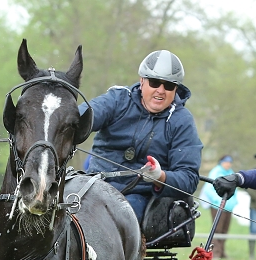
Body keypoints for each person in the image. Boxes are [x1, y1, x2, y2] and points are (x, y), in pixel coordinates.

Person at [80, 50, 203, 225]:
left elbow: (189, 179)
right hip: (94, 184)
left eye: (168, 86)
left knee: (117, 219)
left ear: (176, 89)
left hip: (140, 197)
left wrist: (160, 176)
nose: (160, 91)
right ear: (142, 80)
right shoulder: (117, 99)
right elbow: (77, 118)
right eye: (154, 82)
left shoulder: (182, 121)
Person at [201, 155, 237, 258]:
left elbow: (235, 189)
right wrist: (218, 200)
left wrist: (235, 201)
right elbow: (208, 189)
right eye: (226, 161)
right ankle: (215, 253)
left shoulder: (231, 172)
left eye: (230, 162)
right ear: (221, 162)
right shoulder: (215, 172)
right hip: (218, 206)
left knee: (224, 230)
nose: (228, 164)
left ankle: (221, 252)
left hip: (229, 207)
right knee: (217, 230)